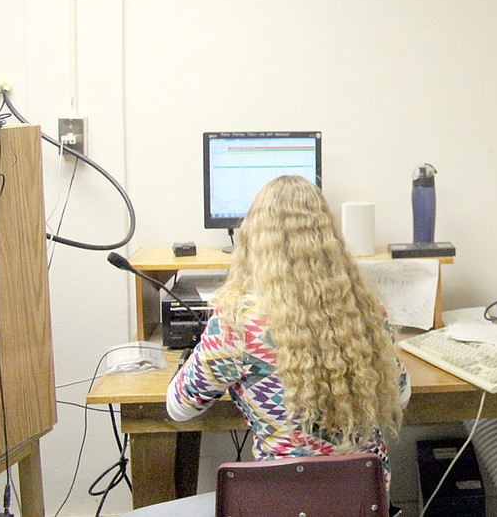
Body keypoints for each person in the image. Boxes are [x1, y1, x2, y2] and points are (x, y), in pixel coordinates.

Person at [166, 174, 410, 492]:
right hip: (364, 500)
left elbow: (179, 408)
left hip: (281, 501)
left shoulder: (239, 322)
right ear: (329, 236)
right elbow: (401, 395)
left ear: (254, 237)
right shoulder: (364, 308)